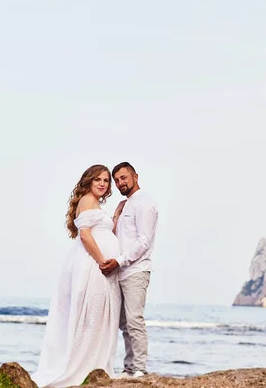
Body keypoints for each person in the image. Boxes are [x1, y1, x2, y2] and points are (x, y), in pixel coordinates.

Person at [32, 165, 122, 387]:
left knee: (99, 316)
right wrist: (102, 261)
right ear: (88, 182)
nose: (102, 184)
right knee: (91, 315)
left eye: (106, 180)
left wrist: (116, 218)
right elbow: (85, 236)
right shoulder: (87, 201)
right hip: (93, 266)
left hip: (99, 265)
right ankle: (85, 365)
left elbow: (101, 232)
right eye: (98, 180)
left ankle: (95, 364)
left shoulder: (95, 204)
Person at [100, 162, 158, 378]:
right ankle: (129, 368)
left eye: (123, 178)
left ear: (135, 176)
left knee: (134, 320)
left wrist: (120, 260)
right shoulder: (126, 204)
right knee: (124, 323)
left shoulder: (144, 203)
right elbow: (118, 238)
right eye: (116, 180)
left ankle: (140, 368)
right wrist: (115, 216)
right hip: (120, 271)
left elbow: (144, 241)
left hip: (135, 270)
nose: (120, 183)